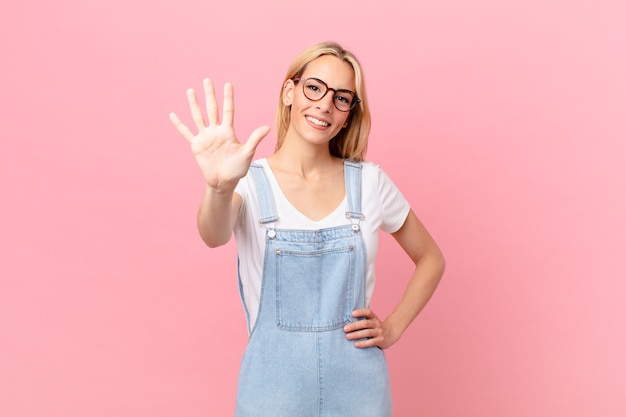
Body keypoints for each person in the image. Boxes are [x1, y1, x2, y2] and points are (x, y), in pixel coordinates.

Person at [169, 41, 445, 417]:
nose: (325, 105)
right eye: (314, 88)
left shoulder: (370, 183)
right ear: (289, 92)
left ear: (348, 114)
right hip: (271, 393)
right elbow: (212, 234)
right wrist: (219, 187)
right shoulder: (247, 181)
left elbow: (431, 257)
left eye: (342, 97)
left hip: (359, 392)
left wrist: (393, 327)